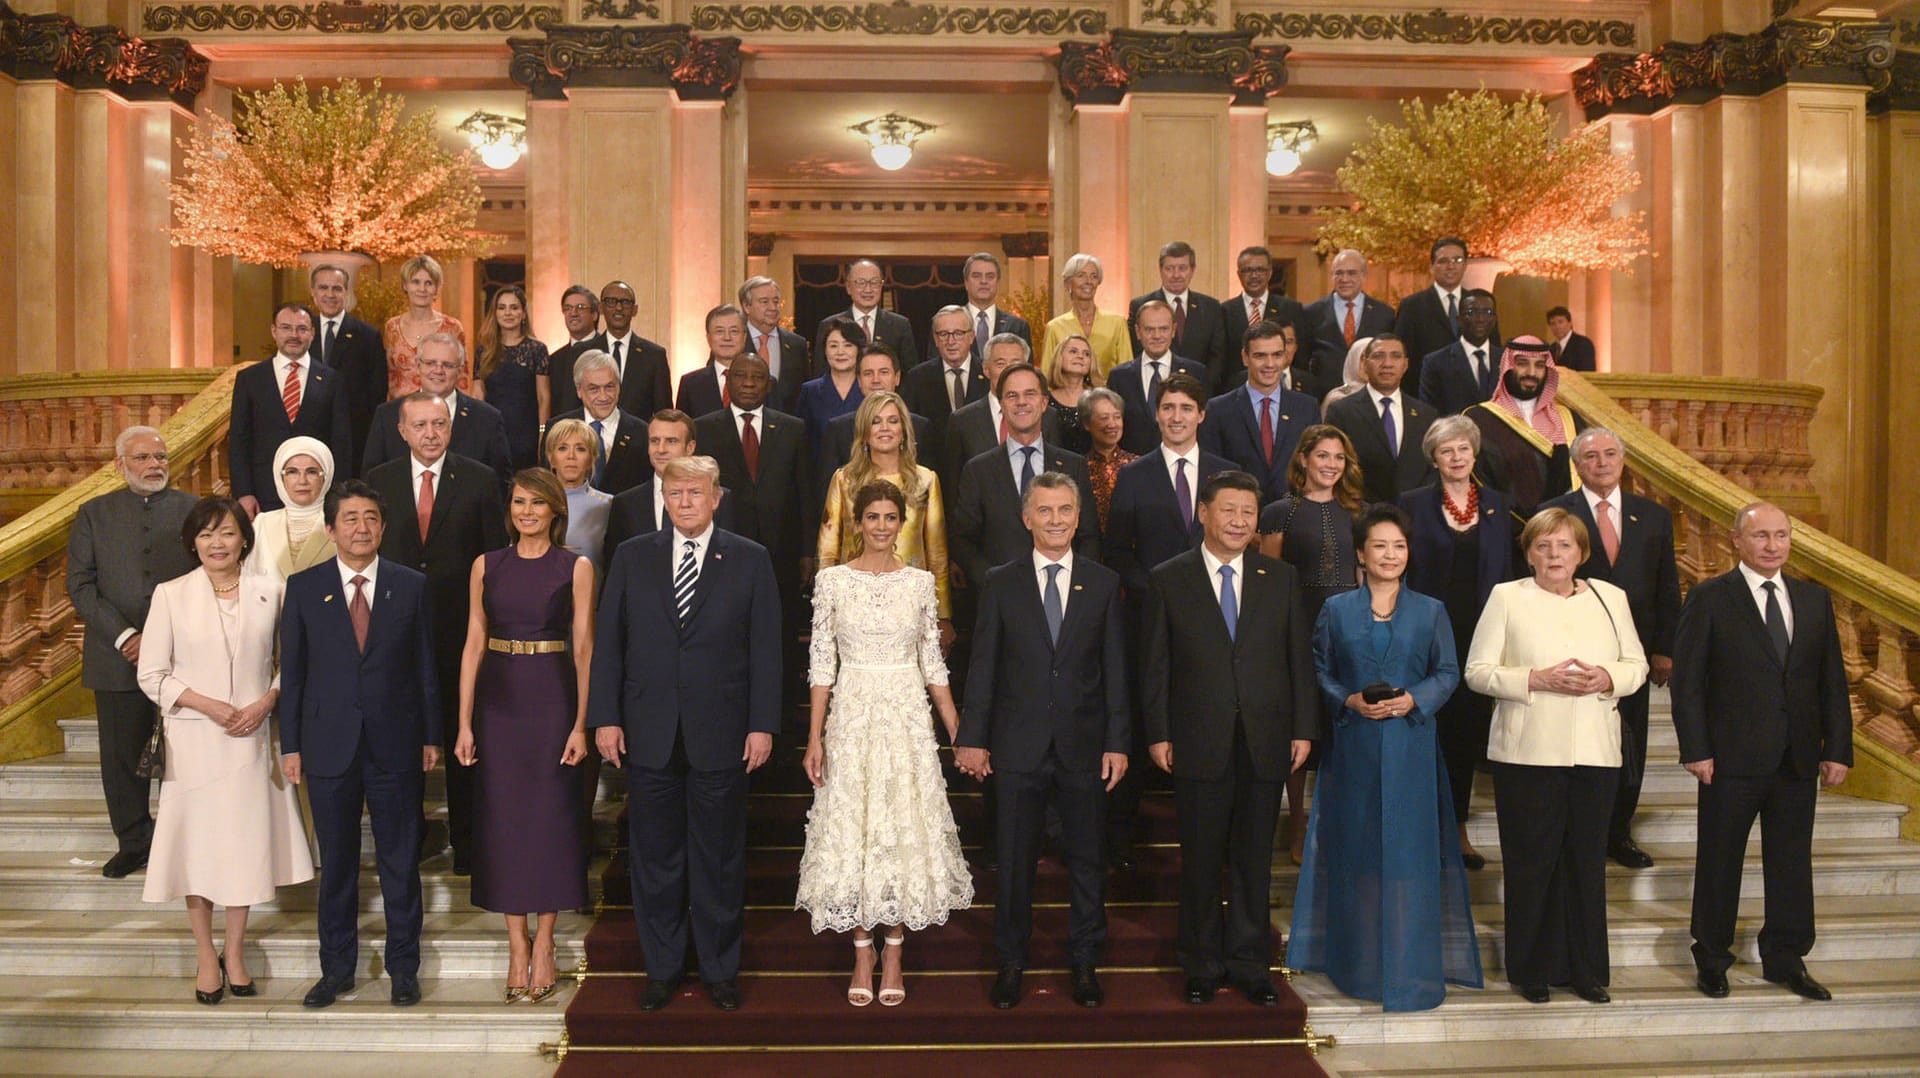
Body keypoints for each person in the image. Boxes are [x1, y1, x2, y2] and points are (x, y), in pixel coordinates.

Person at [590, 455, 783, 1013]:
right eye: (675, 494)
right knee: (655, 859)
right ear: (664, 499)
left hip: (722, 732)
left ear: (716, 497)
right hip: (648, 733)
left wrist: (762, 724)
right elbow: (610, 644)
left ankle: (721, 970)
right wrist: (606, 715)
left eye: (695, 493)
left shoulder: (749, 559)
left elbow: (765, 650)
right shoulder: (632, 557)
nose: (685, 503)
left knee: (719, 858)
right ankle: (664, 969)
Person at [1289, 503, 1480, 1011]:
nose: (1390, 554)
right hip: (1353, 748)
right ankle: (1359, 964)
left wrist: (1415, 698)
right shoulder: (1336, 609)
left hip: (1411, 747)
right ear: (1361, 553)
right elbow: (1320, 669)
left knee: (1408, 858)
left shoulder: (1431, 610)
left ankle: (1408, 964)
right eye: (1380, 546)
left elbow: (1447, 671)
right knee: (1357, 854)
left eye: (1398, 546)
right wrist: (1346, 699)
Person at [1141, 470, 1317, 1007]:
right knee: (1199, 858)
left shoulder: (1279, 577)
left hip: (1265, 737)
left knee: (1252, 858)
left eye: (1248, 512)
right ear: (1204, 512)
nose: (1240, 521)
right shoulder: (1169, 577)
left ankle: (1249, 963)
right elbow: (1155, 665)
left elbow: (1297, 660)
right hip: (1196, 737)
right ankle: (1199, 963)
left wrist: (1303, 729)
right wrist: (1158, 732)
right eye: (1229, 510)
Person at [955, 472, 1130, 1010]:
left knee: (1086, 860)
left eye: (1065, 511)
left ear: (1079, 518)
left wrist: (1118, 740)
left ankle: (1084, 962)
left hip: (1084, 744)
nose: (1056, 520)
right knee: (1012, 862)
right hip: (1016, 744)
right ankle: (1011, 961)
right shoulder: (1001, 582)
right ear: (1026, 518)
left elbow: (1115, 668)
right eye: (1045, 511)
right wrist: (973, 737)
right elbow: (982, 666)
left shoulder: (1102, 582)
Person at [798, 478, 973, 1007]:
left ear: (902, 524)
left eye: (889, 518)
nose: (880, 526)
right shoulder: (831, 582)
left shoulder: (921, 583)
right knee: (855, 826)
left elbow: (932, 663)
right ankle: (861, 949)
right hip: (851, 715)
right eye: (871, 517)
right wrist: (814, 738)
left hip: (904, 719)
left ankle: (893, 948)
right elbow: (822, 663)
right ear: (857, 522)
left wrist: (956, 727)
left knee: (899, 826)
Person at [1465, 507, 1647, 1005]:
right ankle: (1532, 969)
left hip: (1595, 750)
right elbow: (1477, 671)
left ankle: (1586, 970)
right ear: (1529, 554)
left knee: (1585, 862)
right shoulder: (1507, 598)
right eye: (1543, 546)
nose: (1554, 555)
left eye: (1564, 546)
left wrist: (1607, 677)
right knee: (1532, 863)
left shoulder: (1611, 598)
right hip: (1526, 752)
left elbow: (1638, 665)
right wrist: (1533, 679)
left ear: (1581, 553)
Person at [135, 496, 313, 1004]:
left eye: (228, 533)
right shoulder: (170, 595)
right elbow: (152, 673)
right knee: (198, 847)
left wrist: (268, 700)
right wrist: (208, 705)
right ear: (193, 542)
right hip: (195, 738)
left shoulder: (271, 591)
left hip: (252, 738)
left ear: (244, 540)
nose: (218, 543)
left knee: (241, 846)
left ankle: (234, 951)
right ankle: (205, 955)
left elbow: (290, 661)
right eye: (207, 534)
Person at [1673, 502, 1852, 1003]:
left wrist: (1837, 748)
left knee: (1792, 861)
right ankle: (1711, 958)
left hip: (1796, 758)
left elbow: (1831, 682)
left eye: (1781, 536)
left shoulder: (1814, 600)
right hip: (1729, 759)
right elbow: (1687, 683)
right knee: (1720, 860)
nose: (1773, 545)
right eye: (1761, 536)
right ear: (1737, 541)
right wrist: (1696, 748)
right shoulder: (1710, 598)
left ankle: (1786, 956)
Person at [279, 480, 442, 1009]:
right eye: (350, 518)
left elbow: (425, 668)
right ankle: (337, 970)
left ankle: (403, 969)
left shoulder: (409, 585)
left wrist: (432, 735)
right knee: (339, 866)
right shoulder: (303, 588)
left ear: (383, 527)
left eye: (370, 517)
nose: (361, 528)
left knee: (399, 861)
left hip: (396, 743)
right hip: (327, 746)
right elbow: (295, 674)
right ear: (331, 528)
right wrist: (291, 746)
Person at [453, 468, 594, 1004]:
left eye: (538, 503)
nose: (527, 512)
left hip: (554, 699)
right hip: (499, 701)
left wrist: (582, 722)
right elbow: (473, 642)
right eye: (518, 502)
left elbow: (584, 648)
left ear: (556, 510)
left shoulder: (575, 566)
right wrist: (465, 722)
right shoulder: (486, 565)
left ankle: (546, 943)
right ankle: (517, 944)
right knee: (505, 822)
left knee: (552, 822)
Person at [366, 392, 509, 875]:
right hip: (395, 637)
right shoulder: (378, 482)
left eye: (439, 424)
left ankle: (469, 845)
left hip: (460, 635)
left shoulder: (480, 478)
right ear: (402, 430)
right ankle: (411, 841)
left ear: (451, 428)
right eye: (421, 425)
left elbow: (493, 563)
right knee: (401, 745)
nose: (431, 433)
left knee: (463, 740)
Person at [1541, 427, 1681, 869]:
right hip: (1570, 650)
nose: (1601, 463)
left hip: (1632, 655)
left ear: (1622, 461)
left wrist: (1665, 649)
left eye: (1609, 455)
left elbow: (1666, 587)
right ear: (1577, 465)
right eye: (1590, 457)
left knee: (1630, 746)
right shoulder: (1553, 513)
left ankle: (1618, 833)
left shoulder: (1653, 516)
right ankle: (1574, 833)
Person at [68, 426, 198, 879]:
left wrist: (164, 637)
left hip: (185, 657)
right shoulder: (92, 513)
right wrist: (126, 636)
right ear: (120, 465)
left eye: (160, 457)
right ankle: (134, 841)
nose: (154, 465)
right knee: (122, 756)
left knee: (189, 752)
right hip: (115, 655)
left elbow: (208, 577)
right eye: (142, 457)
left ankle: (188, 839)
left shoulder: (193, 511)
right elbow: (80, 585)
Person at [1399, 415, 1512, 871]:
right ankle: (1416, 830)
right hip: (1426, 633)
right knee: (1423, 729)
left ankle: (1458, 829)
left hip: (1480, 635)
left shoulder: (1499, 506)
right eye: (1447, 451)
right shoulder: (1412, 503)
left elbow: (1505, 573)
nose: (1456, 457)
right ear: (1434, 457)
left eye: (1463, 449)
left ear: (1474, 453)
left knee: (1464, 736)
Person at [1256, 424, 1366, 861]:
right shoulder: (1279, 512)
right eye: (1323, 456)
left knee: (1341, 724)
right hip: (1296, 627)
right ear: (1303, 459)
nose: (1331, 466)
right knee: (1299, 725)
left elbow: (1364, 577)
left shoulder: (1359, 513)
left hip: (1347, 631)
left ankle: (1335, 820)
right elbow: (1268, 579)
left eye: (1338, 458)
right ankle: (1297, 823)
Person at [695, 355, 816, 706]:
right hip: (723, 557)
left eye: (757, 377)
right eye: (741, 376)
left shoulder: (793, 428)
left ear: (769, 384)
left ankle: (781, 721)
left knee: (779, 641)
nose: (749, 383)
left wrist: (808, 552)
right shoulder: (703, 428)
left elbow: (805, 492)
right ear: (727, 382)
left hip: (782, 558)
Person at [951, 362, 1101, 594]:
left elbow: (1089, 535)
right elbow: (963, 541)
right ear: (1001, 404)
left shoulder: (1073, 465)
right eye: (1012, 395)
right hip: (1001, 599)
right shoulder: (978, 470)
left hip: (1063, 592)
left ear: (1043, 403)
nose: (1021, 402)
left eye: (1029, 394)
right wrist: (994, 582)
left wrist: (1073, 582)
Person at [817, 391, 952, 629]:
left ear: (903, 431)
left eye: (892, 420)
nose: (884, 428)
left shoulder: (926, 480)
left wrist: (943, 616)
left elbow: (937, 554)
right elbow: (828, 551)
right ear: (864, 433)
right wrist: (825, 609)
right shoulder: (844, 479)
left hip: (911, 603)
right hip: (854, 601)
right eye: (876, 421)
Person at [230, 303, 353, 516]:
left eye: (302, 329)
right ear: (274, 331)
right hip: (263, 495)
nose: (294, 335)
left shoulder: (332, 379)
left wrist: (337, 495)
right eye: (286, 328)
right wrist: (244, 493)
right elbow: (239, 440)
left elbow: (341, 442)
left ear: (313, 333)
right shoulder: (250, 379)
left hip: (318, 495)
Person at [362, 333, 514, 484]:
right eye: (430, 363)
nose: (438, 371)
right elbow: (371, 479)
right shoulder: (387, 415)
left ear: (460, 370)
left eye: (447, 365)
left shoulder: (488, 419)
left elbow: (500, 483)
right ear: (417, 364)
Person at [1200, 320, 1321, 506]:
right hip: (1239, 519)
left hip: (1294, 517)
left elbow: (1313, 468)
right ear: (1245, 357)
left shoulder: (1307, 408)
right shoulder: (1218, 410)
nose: (1270, 364)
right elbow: (1213, 473)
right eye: (1260, 356)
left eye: (1277, 355)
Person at [602, 409, 740, 565]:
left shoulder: (720, 498)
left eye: (671, 441)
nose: (661, 449)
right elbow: (616, 566)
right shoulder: (625, 503)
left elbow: (731, 558)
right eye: (654, 441)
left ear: (690, 447)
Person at [1464, 337, 1578, 525]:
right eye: (1522, 364)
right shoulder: (1479, 419)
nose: (1532, 373)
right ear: (1508, 366)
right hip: (1503, 529)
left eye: (1540, 365)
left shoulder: (1568, 419)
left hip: (1561, 532)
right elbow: (1480, 483)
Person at [1325, 334, 1436, 504]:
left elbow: (1433, 467)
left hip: (1416, 516)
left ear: (1405, 364)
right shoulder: (1341, 411)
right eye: (1378, 356)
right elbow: (1334, 466)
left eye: (1395, 356)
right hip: (1360, 515)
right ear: (1364, 363)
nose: (1387, 364)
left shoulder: (1426, 414)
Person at [941, 335, 1055, 498]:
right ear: (986, 369)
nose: (1009, 370)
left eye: (1016, 363)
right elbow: (953, 487)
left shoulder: (1047, 415)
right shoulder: (962, 420)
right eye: (1001, 363)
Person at [819, 344, 933, 498]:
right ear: (859, 380)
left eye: (884, 372)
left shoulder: (920, 427)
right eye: (868, 373)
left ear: (897, 377)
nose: (876, 380)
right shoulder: (838, 429)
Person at [551, 280, 672, 421]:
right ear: (601, 308)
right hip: (591, 439)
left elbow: (664, 413)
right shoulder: (581, 352)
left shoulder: (654, 355)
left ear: (635, 310)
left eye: (625, 302)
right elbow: (570, 406)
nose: (618, 308)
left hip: (637, 439)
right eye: (611, 302)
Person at [308, 263, 387, 474]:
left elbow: (377, 393)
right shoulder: (302, 333)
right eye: (323, 288)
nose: (330, 294)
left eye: (337, 288)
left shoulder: (368, 336)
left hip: (354, 441)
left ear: (346, 292)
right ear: (313, 292)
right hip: (309, 440)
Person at [1107, 300, 1209, 455]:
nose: (1157, 336)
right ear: (1138, 332)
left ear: (1173, 330)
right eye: (1149, 330)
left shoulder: (1195, 372)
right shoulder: (1119, 377)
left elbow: (1204, 426)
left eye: (1163, 329)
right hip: (1133, 465)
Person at [1394, 238, 1493, 393]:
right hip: (1427, 396)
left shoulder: (1483, 303)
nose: (1451, 266)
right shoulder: (1412, 306)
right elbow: (1401, 355)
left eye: (1457, 260)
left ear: (1465, 265)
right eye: (1443, 261)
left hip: (1474, 397)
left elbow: (1494, 351)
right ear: (1432, 267)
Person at [470, 285, 550, 470]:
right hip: (492, 430)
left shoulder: (537, 350)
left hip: (526, 434)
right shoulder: (484, 351)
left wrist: (542, 435)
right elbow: (477, 395)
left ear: (523, 314)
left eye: (514, 307)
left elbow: (543, 397)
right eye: (502, 307)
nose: (508, 313)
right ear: (495, 313)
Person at [1129, 240, 1227, 390]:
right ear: (1160, 270)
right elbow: (1136, 352)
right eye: (1170, 268)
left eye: (1182, 268)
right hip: (1153, 389)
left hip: (1199, 392)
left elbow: (1217, 356)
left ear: (1192, 270)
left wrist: (1201, 388)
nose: (1176, 275)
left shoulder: (1211, 307)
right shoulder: (1139, 305)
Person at [551, 351, 650, 496]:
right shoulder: (557, 429)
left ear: (619, 386)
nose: (603, 396)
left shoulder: (642, 432)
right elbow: (547, 485)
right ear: (579, 390)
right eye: (594, 389)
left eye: (609, 387)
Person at [1300, 249, 1395, 396]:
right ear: (1331, 275)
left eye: (1351, 273)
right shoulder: (1311, 312)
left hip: (1370, 398)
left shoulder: (1384, 314)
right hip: (1322, 396)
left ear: (1364, 276)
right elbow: (1302, 360)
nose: (1344, 279)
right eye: (1339, 273)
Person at [244, 437, 339, 583]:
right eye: (292, 472)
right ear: (280, 477)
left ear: (325, 477)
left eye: (312, 472)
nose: (302, 481)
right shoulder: (261, 524)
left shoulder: (341, 525)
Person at [680, 303, 801, 417]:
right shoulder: (690, 384)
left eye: (734, 331)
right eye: (719, 331)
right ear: (708, 338)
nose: (727, 338)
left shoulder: (766, 381)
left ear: (744, 337)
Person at [385, 255, 469, 398]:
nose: (422, 289)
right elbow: (389, 376)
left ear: (436, 288)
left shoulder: (453, 327)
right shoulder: (392, 327)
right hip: (401, 411)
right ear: (405, 285)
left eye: (429, 283)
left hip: (440, 411)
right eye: (416, 282)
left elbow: (462, 378)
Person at [1221, 246, 1306, 385]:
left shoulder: (1291, 308)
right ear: (1238, 274)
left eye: (1260, 270)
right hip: (1235, 389)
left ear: (1270, 273)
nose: (1254, 275)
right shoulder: (1225, 310)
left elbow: (1301, 357)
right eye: (1248, 270)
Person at [1041, 253, 1130, 379]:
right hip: (1066, 396)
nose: (1088, 281)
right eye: (1081, 275)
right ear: (1068, 284)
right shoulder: (1054, 327)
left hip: (1108, 396)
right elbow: (1047, 375)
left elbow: (1126, 372)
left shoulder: (1117, 323)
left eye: (1093, 276)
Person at [544, 418, 613, 576]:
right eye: (562, 448)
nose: (571, 456)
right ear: (551, 458)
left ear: (592, 459)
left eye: (580, 449)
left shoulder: (609, 505)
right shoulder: (533, 503)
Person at [936, 251, 1032, 363]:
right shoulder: (944, 323)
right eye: (977, 276)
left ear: (998, 282)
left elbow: (1026, 372)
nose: (983, 281)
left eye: (990, 276)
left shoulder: (1018, 326)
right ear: (966, 282)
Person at [814, 259, 917, 363]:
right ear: (848, 287)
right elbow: (820, 372)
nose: (868, 289)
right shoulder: (829, 325)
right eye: (861, 282)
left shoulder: (900, 325)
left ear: (881, 286)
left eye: (874, 282)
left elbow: (909, 373)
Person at [1418, 289, 1502, 417]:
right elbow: (1429, 412)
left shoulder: (1506, 359)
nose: (1480, 319)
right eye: (1471, 312)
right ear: (1459, 319)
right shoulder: (1435, 362)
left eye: (1487, 312)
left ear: (1495, 319)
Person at [797, 314, 866, 466]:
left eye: (848, 345)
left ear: (858, 350)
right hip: (821, 477)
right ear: (825, 350)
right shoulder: (810, 392)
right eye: (833, 346)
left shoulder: (870, 389)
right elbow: (802, 446)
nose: (840, 352)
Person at [1079, 387, 1136, 532]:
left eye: (1117, 417)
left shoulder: (1137, 465)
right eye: (1104, 418)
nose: (1112, 424)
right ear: (1087, 424)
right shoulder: (1078, 468)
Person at [545, 285, 605, 420]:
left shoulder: (606, 351)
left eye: (580, 308)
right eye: (568, 308)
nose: (573, 313)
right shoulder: (555, 359)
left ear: (595, 314)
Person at [740, 276, 811, 383]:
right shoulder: (733, 341)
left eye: (776, 301)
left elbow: (805, 389)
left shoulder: (797, 344)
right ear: (746, 306)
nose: (773, 307)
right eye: (764, 302)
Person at [1041, 332, 1100, 453]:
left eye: (1086, 354)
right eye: (1073, 351)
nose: (1080, 356)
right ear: (1059, 357)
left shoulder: (1100, 400)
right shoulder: (1044, 401)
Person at [1321, 335, 1374, 411]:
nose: (1367, 364)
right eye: (1362, 358)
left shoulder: (1389, 397)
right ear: (1352, 359)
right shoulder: (1338, 398)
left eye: (1374, 358)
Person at [1546, 306, 1596, 372]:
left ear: (1570, 323)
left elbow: (1588, 374)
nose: (1557, 326)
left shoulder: (1583, 344)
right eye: (1553, 323)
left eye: (1560, 322)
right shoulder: (1551, 348)